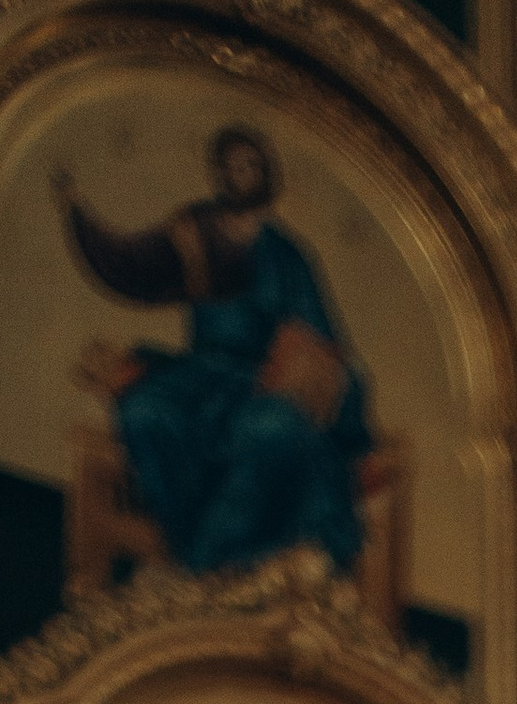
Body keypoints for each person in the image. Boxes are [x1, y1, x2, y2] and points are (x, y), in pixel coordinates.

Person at [57, 128, 372, 581]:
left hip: (263, 384)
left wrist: (300, 375)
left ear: (266, 174)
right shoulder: (199, 236)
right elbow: (129, 264)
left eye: (248, 167)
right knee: (144, 409)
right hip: (203, 375)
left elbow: (321, 343)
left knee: (265, 429)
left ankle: (207, 563)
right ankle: (189, 546)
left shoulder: (287, 256)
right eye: (230, 167)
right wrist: (78, 213)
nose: (238, 176)